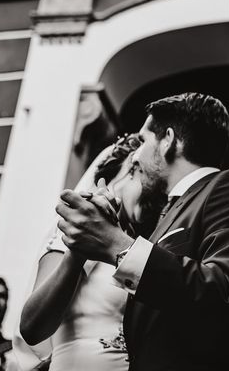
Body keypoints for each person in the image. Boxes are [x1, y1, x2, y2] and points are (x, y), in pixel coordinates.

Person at [55, 92, 229, 371]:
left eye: (142, 141)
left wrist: (117, 246)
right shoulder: (165, 217)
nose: (135, 157)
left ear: (168, 141)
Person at [19, 134, 166, 371]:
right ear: (120, 175)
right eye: (140, 172)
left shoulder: (143, 249)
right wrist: (78, 251)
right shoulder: (75, 233)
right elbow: (32, 328)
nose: (152, 189)